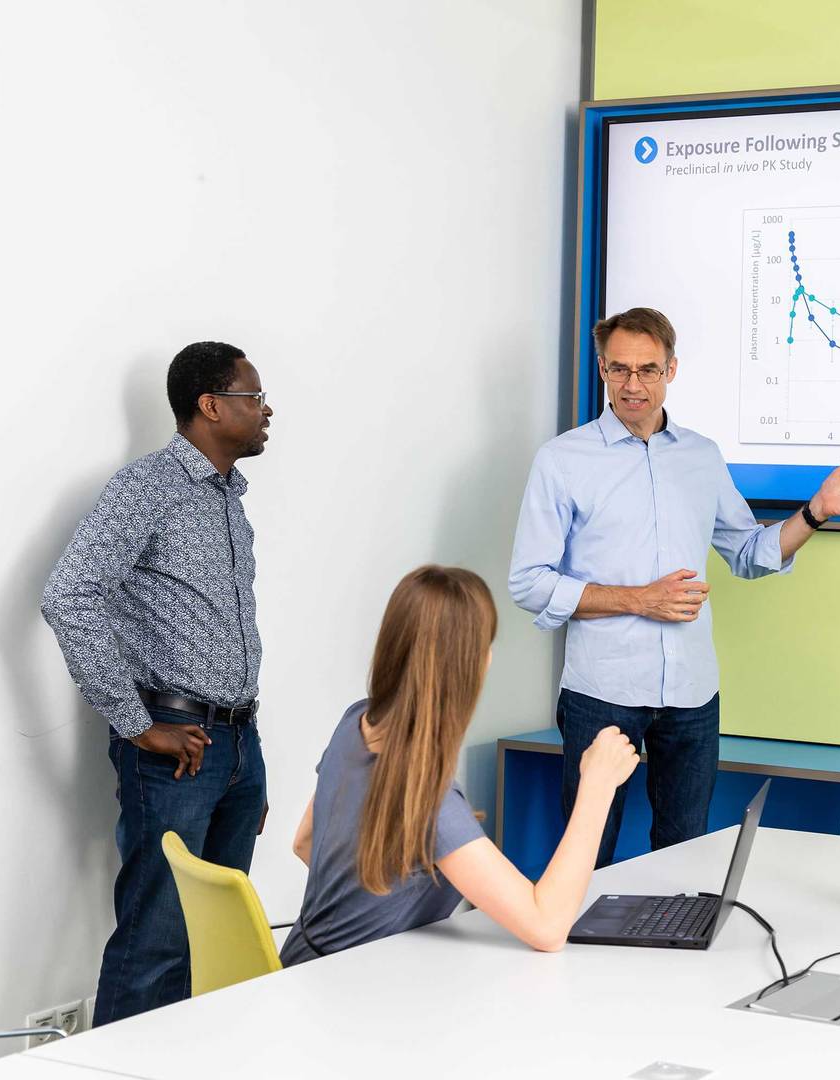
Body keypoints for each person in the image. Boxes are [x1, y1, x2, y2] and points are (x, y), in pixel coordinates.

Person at [509, 306, 840, 867]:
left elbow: (748, 553)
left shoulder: (701, 456)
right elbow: (529, 582)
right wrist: (639, 599)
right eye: (619, 370)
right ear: (602, 370)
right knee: (585, 853)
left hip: (692, 695)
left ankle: (672, 949)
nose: (633, 385)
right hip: (602, 692)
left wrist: (816, 512)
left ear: (672, 369)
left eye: (648, 369)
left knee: (684, 855)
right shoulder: (562, 460)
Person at [40, 341, 274, 1024]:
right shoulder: (148, 486)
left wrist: (248, 758)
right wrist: (135, 722)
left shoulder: (229, 499)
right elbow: (69, 594)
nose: (265, 411)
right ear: (211, 406)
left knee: (223, 941)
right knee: (157, 947)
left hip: (234, 745)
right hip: (175, 752)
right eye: (252, 397)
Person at [281, 566, 638, 964]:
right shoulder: (429, 796)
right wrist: (598, 785)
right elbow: (548, 926)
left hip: (300, 966)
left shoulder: (355, 721)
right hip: (352, 994)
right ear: (472, 664)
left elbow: (304, 843)